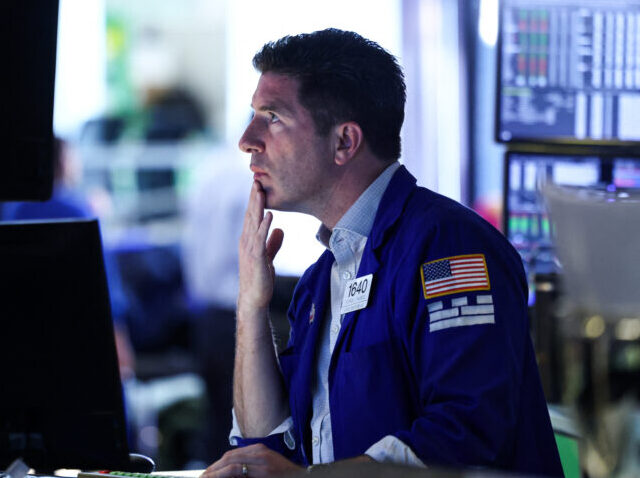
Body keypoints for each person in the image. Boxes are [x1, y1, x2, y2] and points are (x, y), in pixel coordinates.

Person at [202, 29, 563, 477]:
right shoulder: (321, 281)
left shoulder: (449, 248)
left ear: (344, 143)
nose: (247, 139)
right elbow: (265, 446)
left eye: (272, 117)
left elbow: (468, 434)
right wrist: (251, 303)